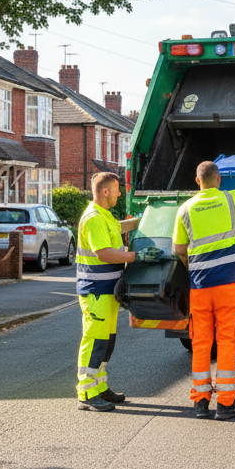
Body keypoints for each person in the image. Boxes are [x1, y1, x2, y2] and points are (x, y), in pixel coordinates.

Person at [172, 159, 235, 420]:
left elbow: (179, 249)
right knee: (227, 340)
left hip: (200, 287)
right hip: (227, 285)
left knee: (201, 342)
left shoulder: (185, 209)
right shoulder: (230, 199)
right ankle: (226, 404)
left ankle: (200, 402)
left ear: (197, 181)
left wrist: (194, 266)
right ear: (218, 180)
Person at [75, 171, 161, 412]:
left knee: (107, 342)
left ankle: (100, 387)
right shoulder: (93, 218)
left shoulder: (105, 216)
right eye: (116, 189)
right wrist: (136, 256)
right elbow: (103, 252)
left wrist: (145, 219)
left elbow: (117, 231)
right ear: (105, 192)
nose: (119, 193)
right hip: (96, 292)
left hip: (106, 290)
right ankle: (87, 393)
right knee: (95, 342)